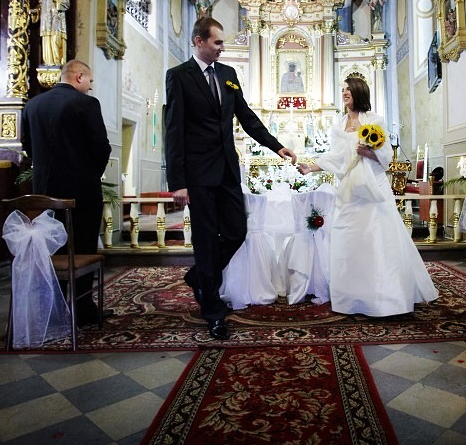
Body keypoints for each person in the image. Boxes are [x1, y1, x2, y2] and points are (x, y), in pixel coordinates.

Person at [166, 17, 297, 340]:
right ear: (198, 41)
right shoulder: (179, 76)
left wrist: (276, 145)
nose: (222, 47)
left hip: (226, 170)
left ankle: (199, 276)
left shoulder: (228, 75)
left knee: (237, 230)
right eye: (217, 42)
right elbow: (174, 130)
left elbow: (247, 117)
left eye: (222, 42)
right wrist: (178, 182)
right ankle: (212, 310)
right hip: (197, 175)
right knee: (207, 241)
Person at [297, 76, 438, 316]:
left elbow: (386, 159)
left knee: (379, 239)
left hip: (374, 188)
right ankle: (351, 299)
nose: (344, 93)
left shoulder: (375, 121)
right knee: (348, 239)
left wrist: (368, 153)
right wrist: (312, 167)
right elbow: (336, 157)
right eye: (342, 90)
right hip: (350, 191)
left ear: (359, 92)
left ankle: (386, 298)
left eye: (348, 90)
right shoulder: (338, 124)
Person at [20, 60, 112, 327]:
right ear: (79, 76)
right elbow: (101, 147)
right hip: (81, 191)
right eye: (90, 82)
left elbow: (28, 148)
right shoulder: (86, 104)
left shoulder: (32, 105)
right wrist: (90, 174)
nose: (90, 88)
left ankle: (52, 307)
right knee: (81, 248)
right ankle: (82, 308)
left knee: (52, 248)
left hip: (44, 191)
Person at [33, 0, 70, 66]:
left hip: (56, 20)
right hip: (46, 21)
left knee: (55, 40)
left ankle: (57, 62)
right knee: (46, 41)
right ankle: (48, 62)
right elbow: (40, 4)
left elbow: (66, 4)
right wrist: (35, 11)